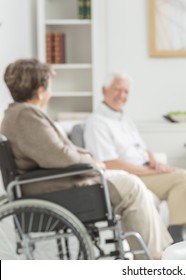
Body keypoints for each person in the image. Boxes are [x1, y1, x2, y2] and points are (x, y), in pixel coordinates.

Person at [0, 58, 173, 259]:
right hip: (58, 189)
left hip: (54, 185)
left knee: (129, 182)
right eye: (49, 86)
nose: (50, 91)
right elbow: (60, 156)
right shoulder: (26, 116)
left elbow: (61, 151)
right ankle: (151, 258)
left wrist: (88, 159)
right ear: (40, 90)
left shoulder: (19, 113)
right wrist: (92, 162)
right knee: (131, 186)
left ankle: (156, 253)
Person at [84, 73, 186, 243]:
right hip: (128, 177)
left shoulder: (125, 119)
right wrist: (147, 170)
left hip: (145, 171)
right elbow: (109, 163)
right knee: (183, 178)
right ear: (104, 91)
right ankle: (176, 239)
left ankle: (175, 231)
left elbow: (143, 149)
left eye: (126, 91)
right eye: (117, 89)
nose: (122, 95)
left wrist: (154, 162)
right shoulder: (97, 123)